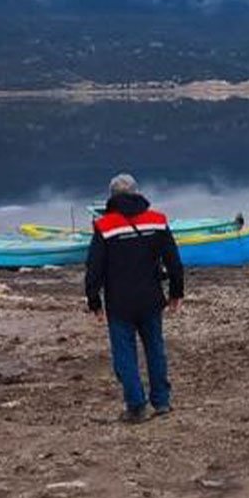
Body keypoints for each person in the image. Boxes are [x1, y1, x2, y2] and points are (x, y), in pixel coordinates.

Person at [84, 174, 184, 422]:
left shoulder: (105, 226)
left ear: (112, 197)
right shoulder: (157, 221)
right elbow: (174, 261)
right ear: (137, 192)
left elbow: (94, 267)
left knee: (125, 355)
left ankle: (136, 405)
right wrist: (176, 293)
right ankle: (161, 402)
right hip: (151, 298)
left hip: (119, 303)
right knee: (155, 349)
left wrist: (94, 301)